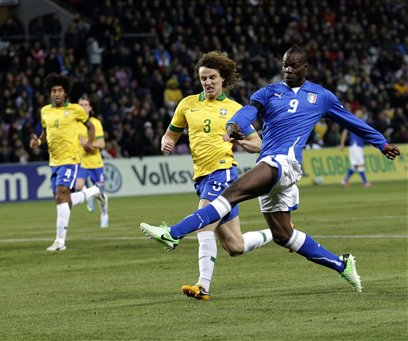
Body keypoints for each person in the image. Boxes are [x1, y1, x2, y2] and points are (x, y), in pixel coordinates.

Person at [140, 45, 401, 293]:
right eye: (285, 65)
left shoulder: (322, 97)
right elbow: (248, 112)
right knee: (283, 235)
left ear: (305, 67)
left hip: (284, 163)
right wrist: (234, 126)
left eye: (294, 66)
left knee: (231, 194)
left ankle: (173, 233)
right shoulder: (268, 92)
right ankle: (342, 264)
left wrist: (382, 143)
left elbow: (352, 122)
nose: (288, 70)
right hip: (269, 165)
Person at [156, 51, 272, 300]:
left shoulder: (235, 110)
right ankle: (280, 232)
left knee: (204, 223)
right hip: (201, 177)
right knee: (235, 246)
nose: (207, 82)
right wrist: (166, 142)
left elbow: (258, 144)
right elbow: (171, 134)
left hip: (223, 172)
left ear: (223, 79)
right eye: (203, 78)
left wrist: (240, 139)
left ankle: (203, 286)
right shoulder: (187, 104)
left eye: (212, 78)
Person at [30, 73, 107, 251]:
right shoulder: (45, 112)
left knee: (61, 194)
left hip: (71, 160)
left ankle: (60, 242)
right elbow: (45, 135)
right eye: (53, 91)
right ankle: (94, 192)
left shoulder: (75, 109)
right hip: (54, 161)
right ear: (49, 94)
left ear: (65, 93)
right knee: (64, 200)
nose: (56, 94)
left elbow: (91, 126)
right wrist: (38, 142)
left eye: (60, 90)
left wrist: (89, 142)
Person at [75, 96, 109, 228]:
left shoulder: (95, 123)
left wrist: (88, 143)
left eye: (85, 104)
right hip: (80, 162)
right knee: (78, 186)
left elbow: (101, 143)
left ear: (90, 108)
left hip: (95, 163)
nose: (82, 107)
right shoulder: (74, 124)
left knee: (101, 195)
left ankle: (104, 215)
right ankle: (88, 197)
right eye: (80, 104)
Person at [340, 108, 371, 187]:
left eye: (360, 113)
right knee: (360, 163)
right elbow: (345, 132)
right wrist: (342, 144)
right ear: (355, 113)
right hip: (355, 146)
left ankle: (345, 180)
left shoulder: (362, 122)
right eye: (358, 112)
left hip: (357, 146)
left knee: (355, 165)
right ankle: (365, 182)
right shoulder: (351, 121)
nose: (359, 114)